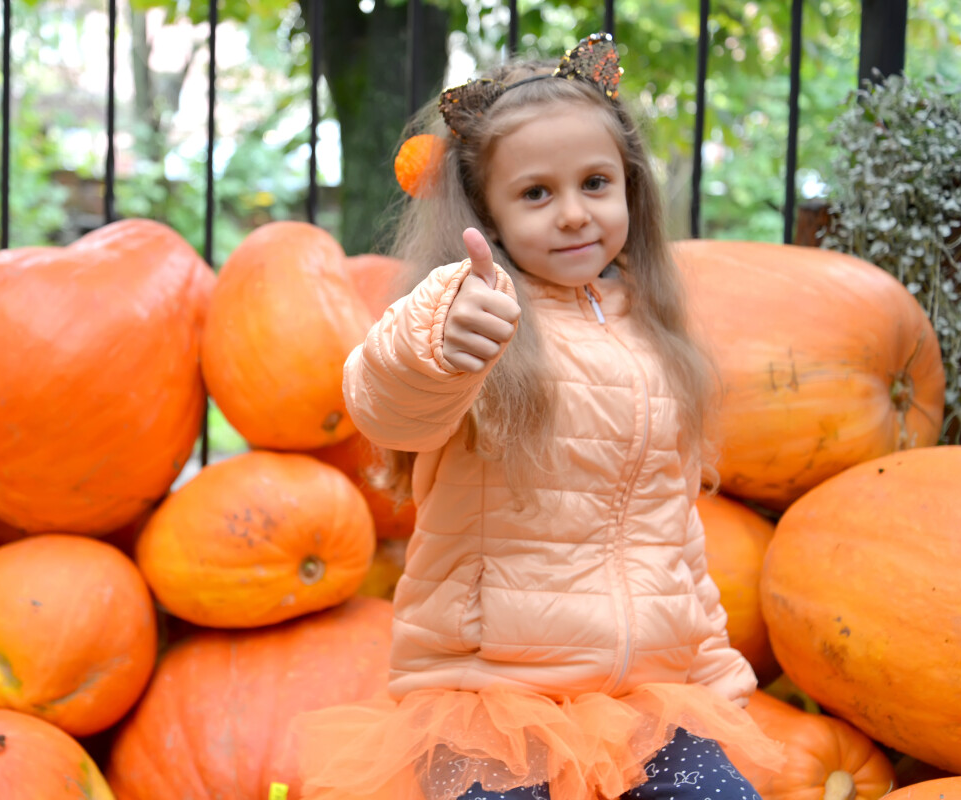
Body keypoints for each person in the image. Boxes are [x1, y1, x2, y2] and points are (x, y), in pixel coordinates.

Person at [293, 33, 786, 800]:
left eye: (595, 183)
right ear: (485, 212)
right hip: (492, 698)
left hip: (640, 704)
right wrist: (439, 342)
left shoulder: (652, 334)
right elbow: (388, 406)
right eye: (535, 194)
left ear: (630, 187)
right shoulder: (474, 320)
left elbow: (672, 529)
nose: (572, 215)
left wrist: (712, 667)